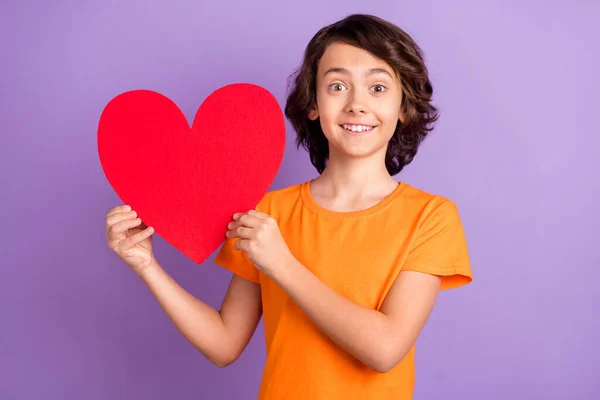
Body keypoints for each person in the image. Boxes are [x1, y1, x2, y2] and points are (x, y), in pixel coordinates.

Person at [104, 13, 473, 399]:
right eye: (337, 86)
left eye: (378, 88)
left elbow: (384, 350)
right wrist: (147, 266)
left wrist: (281, 264)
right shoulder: (267, 212)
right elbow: (224, 343)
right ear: (313, 104)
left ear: (403, 107)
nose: (357, 104)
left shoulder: (431, 217)